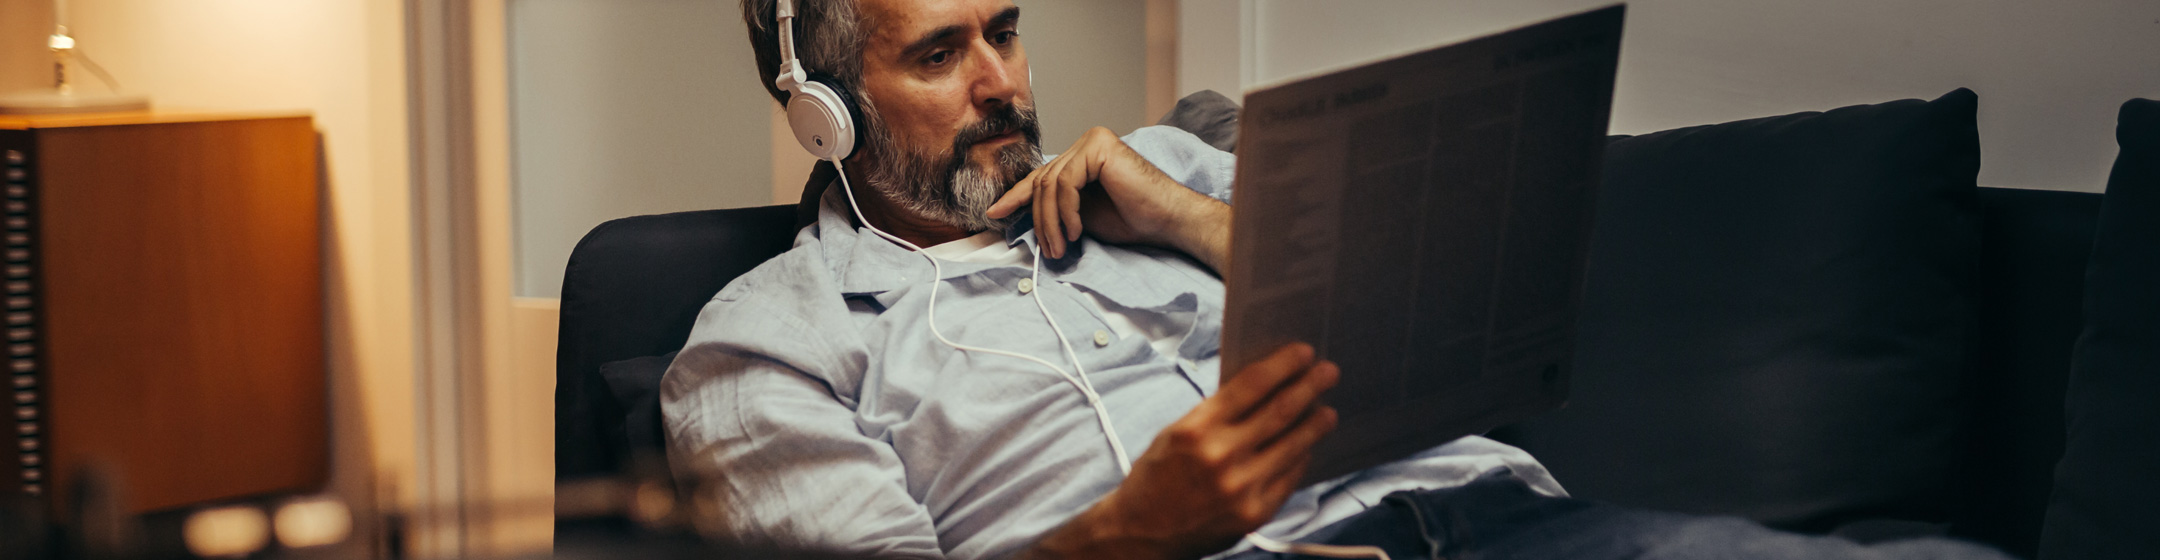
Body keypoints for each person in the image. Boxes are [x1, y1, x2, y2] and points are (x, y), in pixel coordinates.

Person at [661, 1, 2014, 559]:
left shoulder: (1164, 171)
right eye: (941, 51)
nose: (1005, 81)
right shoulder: (758, 353)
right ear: (822, 106)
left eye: (1005, 29)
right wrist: (1139, 532)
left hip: (1500, 524)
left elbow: (1445, 321)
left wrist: (1185, 208)